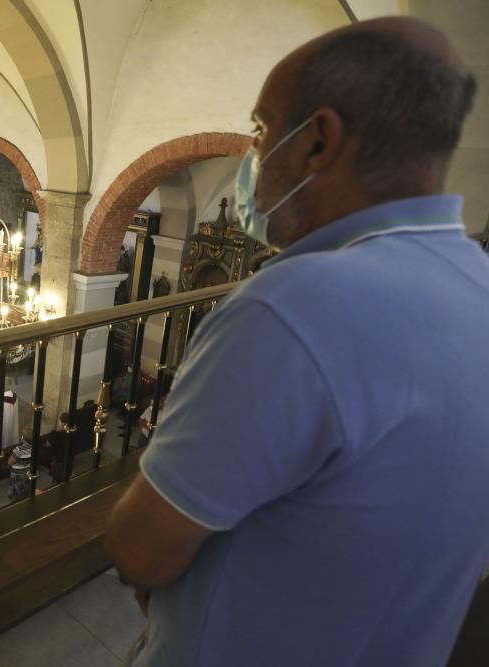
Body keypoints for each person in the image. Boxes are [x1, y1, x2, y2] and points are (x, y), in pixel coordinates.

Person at [107, 18, 489, 667]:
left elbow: (138, 549)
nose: (251, 157)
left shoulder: (290, 307)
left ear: (318, 140)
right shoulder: (477, 283)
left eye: (259, 130)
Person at [6, 426, 33, 503]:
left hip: (17, 474)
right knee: (25, 487)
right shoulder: (34, 447)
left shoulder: (19, 449)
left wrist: (14, 453)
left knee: (15, 488)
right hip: (28, 471)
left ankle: (15, 499)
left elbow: (10, 462)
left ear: (23, 438)